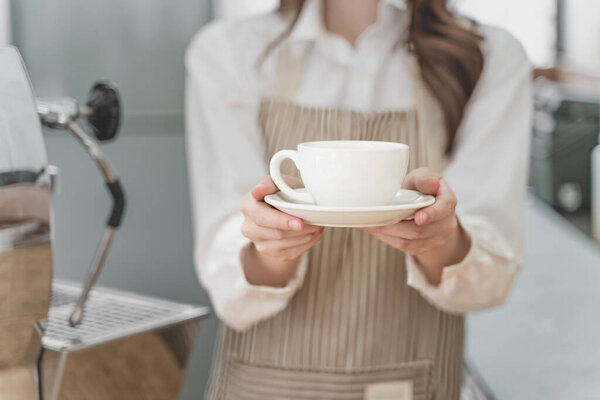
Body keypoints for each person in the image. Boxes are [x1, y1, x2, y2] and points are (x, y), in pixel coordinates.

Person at [185, 0, 531, 398]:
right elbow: (226, 280)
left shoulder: (489, 58)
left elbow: (492, 278)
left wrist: (439, 238)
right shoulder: (228, 53)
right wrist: (271, 246)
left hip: (415, 382)